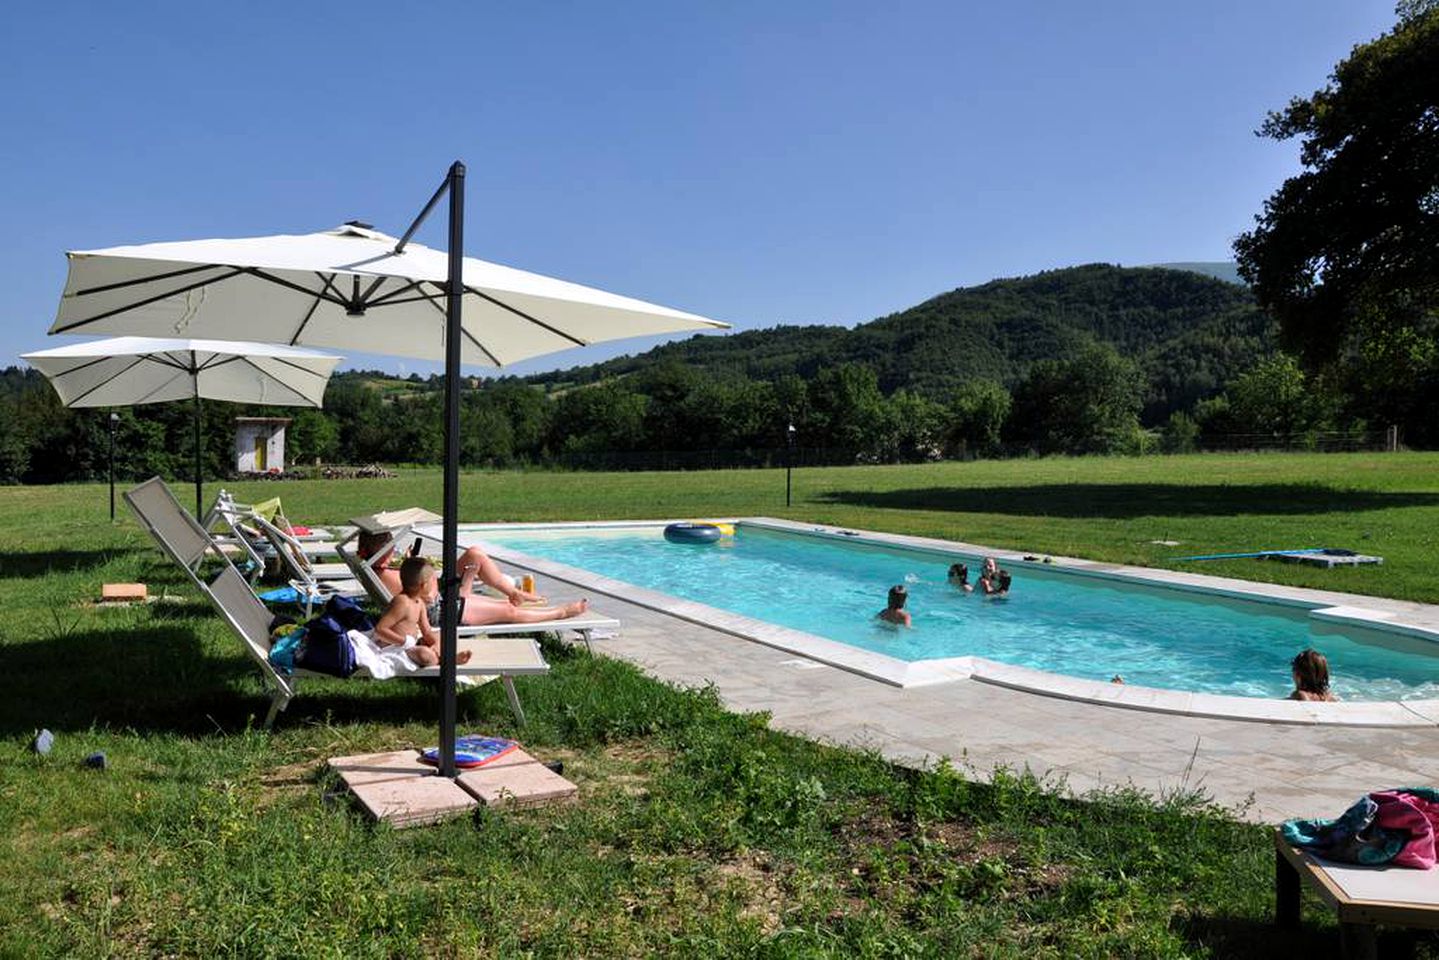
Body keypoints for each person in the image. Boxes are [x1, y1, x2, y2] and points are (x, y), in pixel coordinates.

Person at [356, 529, 543, 605]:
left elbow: (411, 583)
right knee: (474, 562)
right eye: (392, 548)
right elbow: (425, 597)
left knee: (475, 553)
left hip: (439, 586)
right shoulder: (384, 574)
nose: (394, 552)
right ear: (383, 551)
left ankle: (513, 592)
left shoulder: (377, 569)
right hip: (443, 599)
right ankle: (513, 594)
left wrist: (411, 563)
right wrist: (422, 567)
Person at [372, 556, 473, 668]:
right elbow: (380, 629)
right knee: (424, 655)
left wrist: (435, 643)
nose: (435, 584)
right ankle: (446, 660)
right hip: (396, 647)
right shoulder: (401, 602)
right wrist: (403, 641)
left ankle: (441, 654)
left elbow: (427, 631)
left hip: (412, 644)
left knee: (444, 634)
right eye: (433, 580)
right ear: (423, 585)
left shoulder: (419, 603)